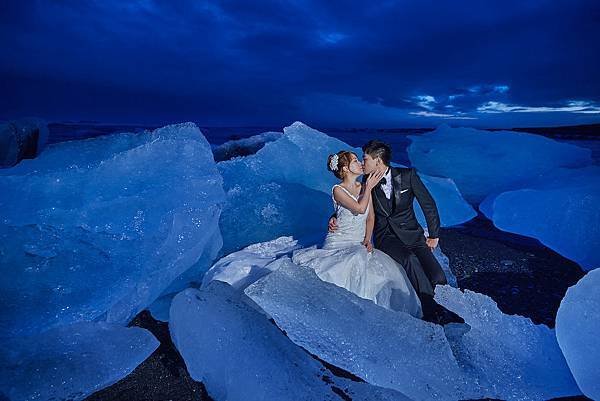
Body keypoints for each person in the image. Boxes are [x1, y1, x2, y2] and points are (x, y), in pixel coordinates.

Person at [328, 140, 462, 325]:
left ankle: (453, 308)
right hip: (387, 237)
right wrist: (334, 216)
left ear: (378, 160)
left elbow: (428, 205)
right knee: (409, 260)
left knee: (437, 276)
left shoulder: (408, 176)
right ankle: (431, 312)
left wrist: (433, 235)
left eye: (365, 159)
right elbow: (353, 204)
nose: (362, 162)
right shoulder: (367, 182)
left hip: (413, 236)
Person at [292, 150, 422, 317]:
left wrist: (368, 240)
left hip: (359, 241)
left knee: (382, 269)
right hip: (339, 241)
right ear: (345, 169)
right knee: (353, 262)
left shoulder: (363, 186)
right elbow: (360, 208)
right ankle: (344, 312)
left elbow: (370, 217)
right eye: (354, 161)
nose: (360, 163)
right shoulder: (337, 190)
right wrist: (368, 188)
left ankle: (376, 315)